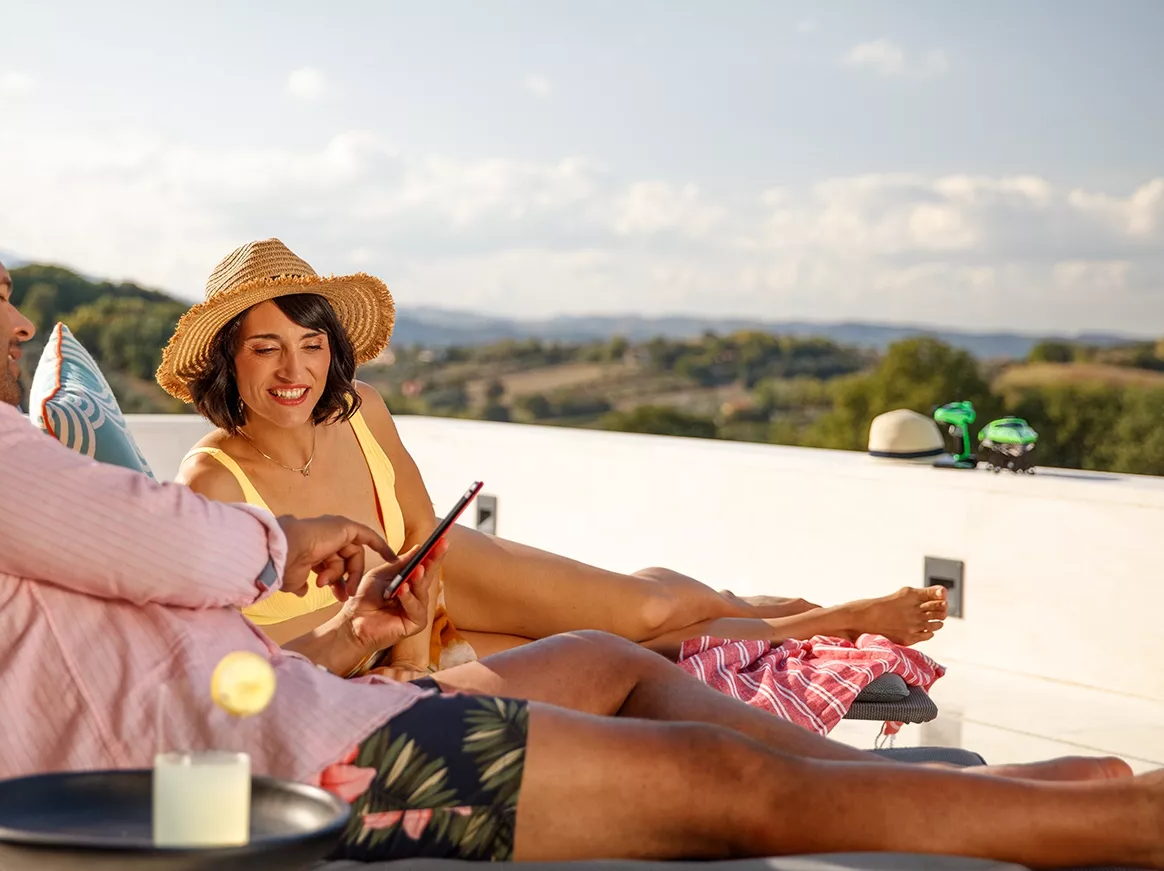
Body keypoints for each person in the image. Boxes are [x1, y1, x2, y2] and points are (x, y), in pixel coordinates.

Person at [0, 209, 1163, 869]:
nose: (16, 325)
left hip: (284, 712)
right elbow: (180, 548)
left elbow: (148, 613)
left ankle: (1015, 801)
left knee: (612, 656)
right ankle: (1105, 820)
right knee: (722, 786)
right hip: (254, 775)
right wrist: (289, 547)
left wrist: (339, 626)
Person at [157, 238, 947, 679]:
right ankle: (821, 621)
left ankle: (781, 605)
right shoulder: (213, 480)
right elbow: (220, 650)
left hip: (441, 578)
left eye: (311, 345)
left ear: (334, 352)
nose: (295, 372)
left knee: (645, 609)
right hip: (360, 650)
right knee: (624, 651)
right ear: (231, 362)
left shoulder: (363, 409)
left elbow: (423, 529)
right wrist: (401, 653)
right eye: (267, 349)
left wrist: (418, 633)